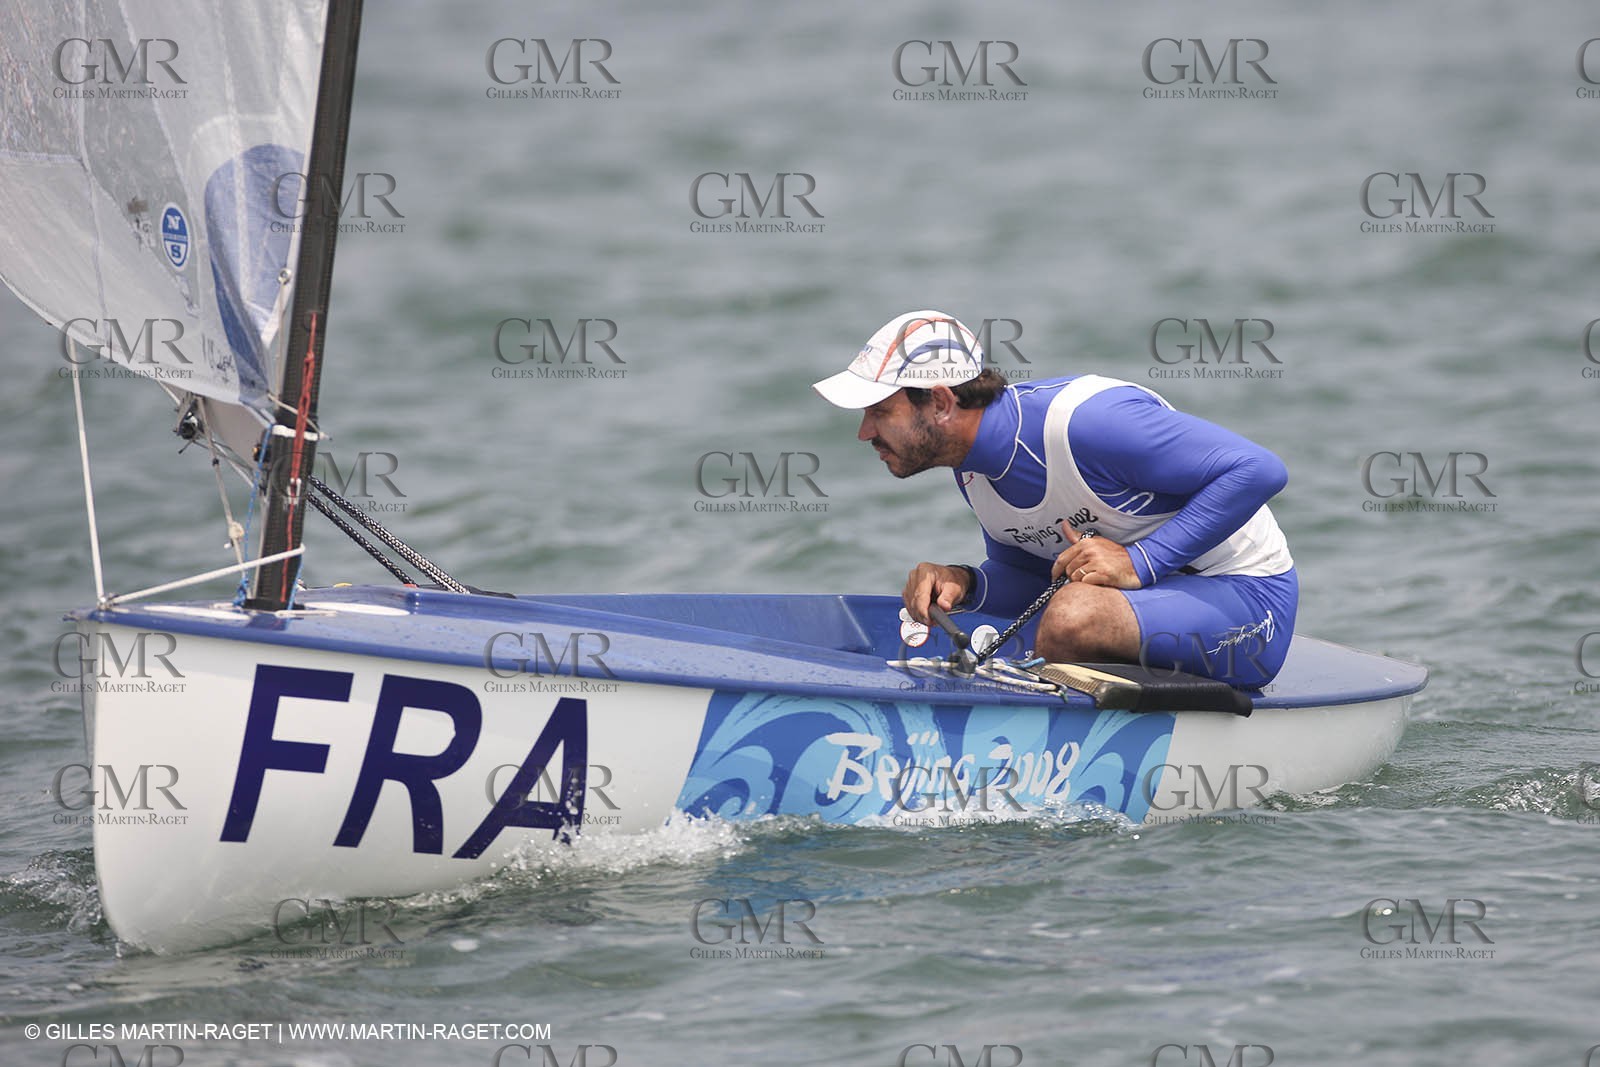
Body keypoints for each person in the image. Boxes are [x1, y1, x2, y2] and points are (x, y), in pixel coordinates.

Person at [812, 310, 1297, 687]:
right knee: (976, 625)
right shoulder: (971, 470)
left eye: (879, 411)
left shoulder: (1089, 422)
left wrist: (1139, 562)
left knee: (1072, 617)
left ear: (940, 402)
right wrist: (966, 584)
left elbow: (1258, 469)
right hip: (1149, 607)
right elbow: (1034, 583)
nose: (864, 432)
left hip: (1250, 601)